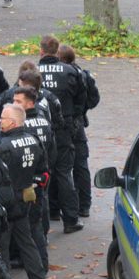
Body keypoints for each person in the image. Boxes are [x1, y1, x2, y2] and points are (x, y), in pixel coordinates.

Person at [0, 104, 50, 279]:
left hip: (4, 202)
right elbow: (43, 171)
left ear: (13, 122)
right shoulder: (34, 140)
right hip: (25, 199)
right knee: (27, 244)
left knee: (2, 248)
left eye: (3, 118)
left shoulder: (1, 145)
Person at [38, 35, 86, 233]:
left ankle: (50, 213)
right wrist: (73, 119)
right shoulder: (71, 71)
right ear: (57, 51)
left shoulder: (32, 72)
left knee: (42, 171)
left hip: (40, 127)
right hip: (64, 127)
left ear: (41, 51)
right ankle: (70, 219)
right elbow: (82, 98)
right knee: (64, 172)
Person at [13, 87, 53, 270]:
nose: (14, 104)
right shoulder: (44, 120)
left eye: (18, 101)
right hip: (39, 179)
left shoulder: (21, 128)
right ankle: (38, 264)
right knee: (36, 224)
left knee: (32, 227)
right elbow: (52, 151)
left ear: (30, 103)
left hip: (28, 184)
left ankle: (38, 265)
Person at [58, 44, 99, 218]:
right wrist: (82, 111)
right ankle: (84, 205)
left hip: (66, 124)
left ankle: (67, 205)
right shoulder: (83, 74)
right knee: (80, 164)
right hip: (78, 123)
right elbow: (94, 99)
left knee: (65, 165)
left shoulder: (66, 75)